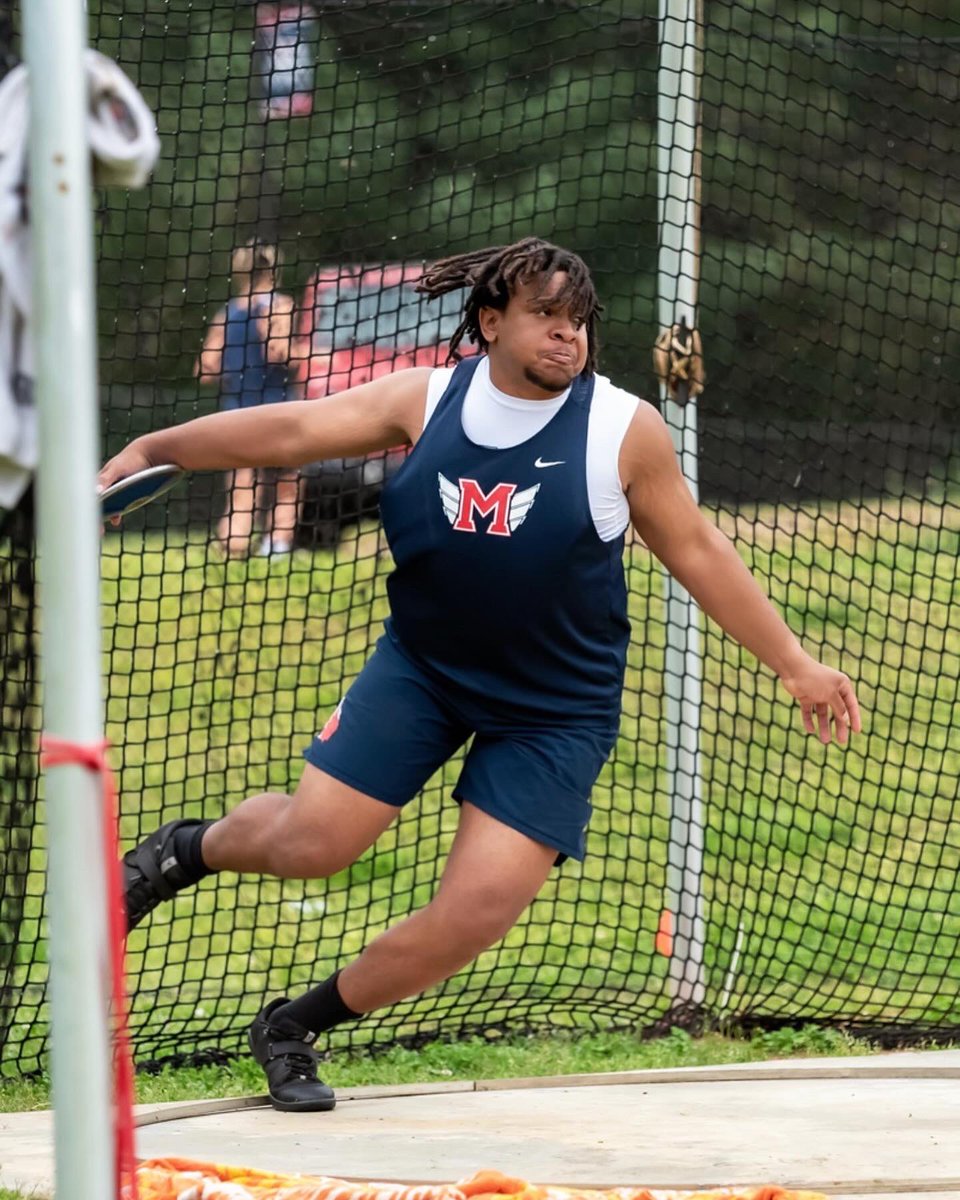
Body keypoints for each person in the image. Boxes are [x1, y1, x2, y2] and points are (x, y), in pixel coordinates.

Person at [98, 237, 862, 1113]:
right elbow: (295, 428)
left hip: (554, 710)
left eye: (579, 321)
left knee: (475, 915)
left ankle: (292, 1026)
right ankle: (178, 854)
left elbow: (696, 547)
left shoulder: (624, 429)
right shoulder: (427, 399)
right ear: (491, 321)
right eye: (545, 316)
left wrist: (796, 663)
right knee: (314, 847)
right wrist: (157, 444)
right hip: (424, 670)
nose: (567, 336)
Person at [195, 239, 305, 557]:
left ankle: (234, 545)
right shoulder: (279, 305)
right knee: (287, 482)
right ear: (273, 270)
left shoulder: (226, 313)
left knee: (242, 484)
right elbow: (279, 351)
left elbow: (206, 368)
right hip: (277, 407)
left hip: (236, 410)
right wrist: (308, 354)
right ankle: (277, 547)